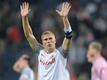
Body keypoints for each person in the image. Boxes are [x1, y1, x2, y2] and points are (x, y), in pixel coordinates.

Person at [20, 2, 72, 80]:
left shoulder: (61, 53)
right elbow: (28, 35)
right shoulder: (40, 51)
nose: (48, 41)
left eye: (50, 39)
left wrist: (65, 19)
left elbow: (68, 36)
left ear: (55, 40)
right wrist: (24, 18)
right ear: (43, 42)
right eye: (45, 39)